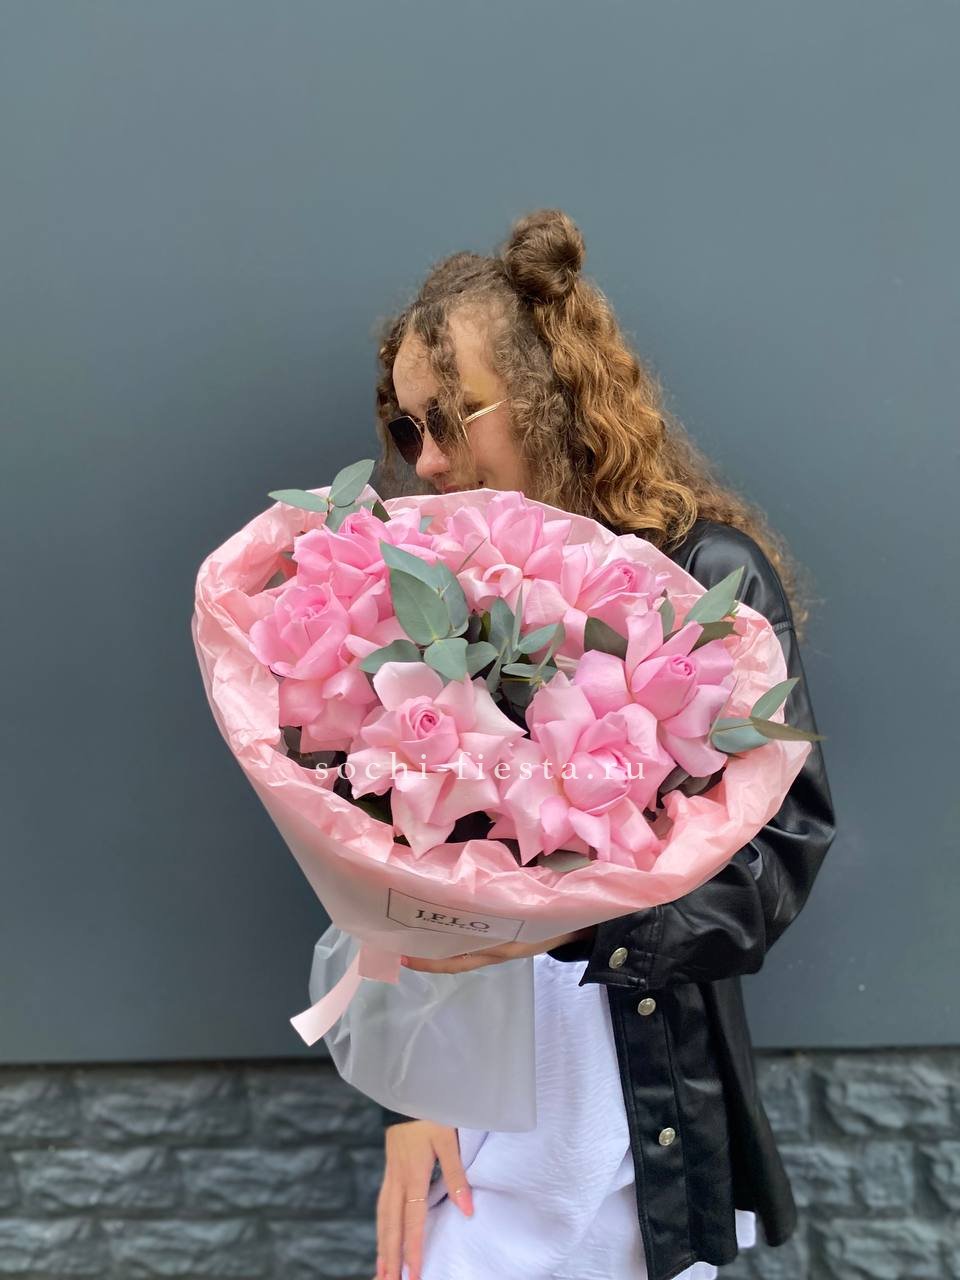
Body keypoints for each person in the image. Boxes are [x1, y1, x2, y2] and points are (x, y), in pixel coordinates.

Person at [367, 209, 837, 1280]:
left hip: (635, 1092)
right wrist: (408, 1091)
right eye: (405, 428)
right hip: (469, 1102)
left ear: (547, 395)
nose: (426, 459)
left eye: (451, 418)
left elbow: (779, 856)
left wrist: (583, 920)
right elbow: (385, 868)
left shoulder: (705, 575)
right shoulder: (428, 595)